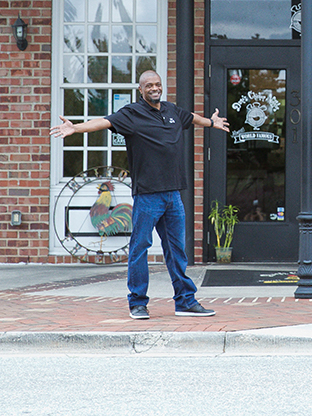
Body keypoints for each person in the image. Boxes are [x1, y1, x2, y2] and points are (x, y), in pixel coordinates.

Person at [50, 70, 229, 320]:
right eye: (149, 85)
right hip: (148, 195)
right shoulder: (131, 114)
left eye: (157, 84)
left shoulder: (171, 110)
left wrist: (211, 122)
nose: (154, 88)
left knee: (177, 250)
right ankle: (137, 303)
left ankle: (185, 302)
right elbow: (102, 122)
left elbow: (192, 118)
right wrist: (76, 128)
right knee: (139, 248)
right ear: (140, 89)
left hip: (173, 195)